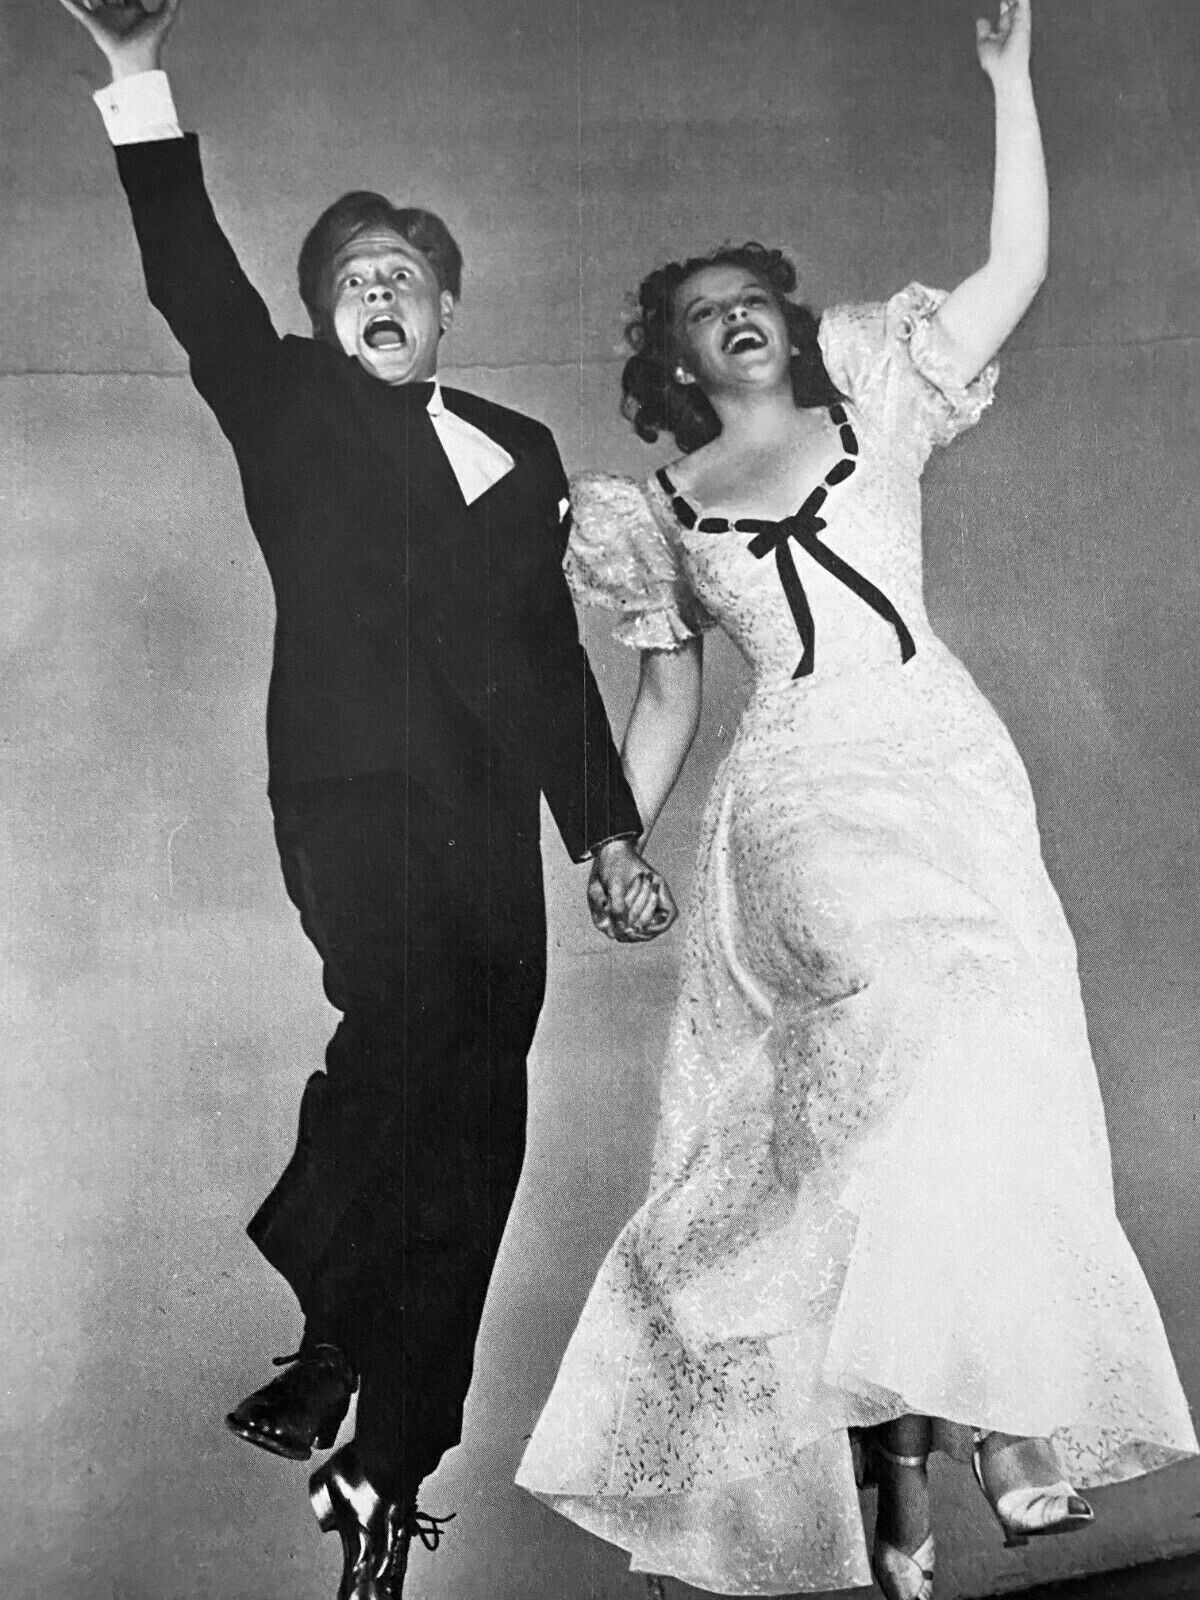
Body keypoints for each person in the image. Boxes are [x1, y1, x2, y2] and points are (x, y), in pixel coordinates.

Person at [517, 3, 1198, 1595]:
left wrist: (1010, 83)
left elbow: (1016, 266)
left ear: (792, 319)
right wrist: (610, 841)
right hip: (799, 789)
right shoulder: (652, 512)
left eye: (754, 298)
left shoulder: (881, 394)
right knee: (916, 1008)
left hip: (947, 760)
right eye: (705, 314)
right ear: (674, 362)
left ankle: (905, 1458)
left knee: (975, 1052)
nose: (737, 319)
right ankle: (997, 1430)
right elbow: (668, 696)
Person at [55, 0, 676, 1594]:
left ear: (447, 308)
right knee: (407, 1027)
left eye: (401, 274)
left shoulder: (522, 449)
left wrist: (608, 833)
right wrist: (136, 76)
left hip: (492, 822)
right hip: (353, 793)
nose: (377, 292)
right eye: (350, 281)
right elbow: (194, 279)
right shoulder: (286, 404)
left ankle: (387, 1473)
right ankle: (334, 1329)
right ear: (323, 322)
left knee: (479, 1127)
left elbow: (548, 663)